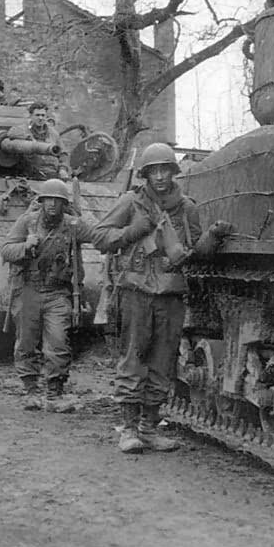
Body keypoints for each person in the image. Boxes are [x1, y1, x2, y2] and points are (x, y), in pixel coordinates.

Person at [92, 143, 232, 453]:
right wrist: (132, 231)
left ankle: (149, 429)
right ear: (144, 174)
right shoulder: (132, 203)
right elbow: (99, 237)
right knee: (133, 360)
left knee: (163, 363)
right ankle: (127, 430)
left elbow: (196, 256)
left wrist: (212, 238)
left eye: (165, 169)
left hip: (170, 295)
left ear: (173, 172)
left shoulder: (187, 208)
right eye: (153, 171)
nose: (159, 176)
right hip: (136, 294)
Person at [1, 179, 95, 411]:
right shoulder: (27, 222)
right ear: (41, 201)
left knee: (58, 343)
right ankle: (31, 391)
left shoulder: (73, 225)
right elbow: (6, 249)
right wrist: (25, 246)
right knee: (26, 342)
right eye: (48, 200)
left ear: (64, 203)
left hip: (57, 292)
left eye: (58, 200)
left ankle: (54, 394)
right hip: (29, 289)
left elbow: (99, 235)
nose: (52, 205)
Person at [5, 102, 69, 180]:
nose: (40, 118)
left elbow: (63, 154)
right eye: (37, 115)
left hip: (53, 173)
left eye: (43, 115)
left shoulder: (53, 133)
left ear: (46, 117)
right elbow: (11, 133)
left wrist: (63, 169)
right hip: (32, 174)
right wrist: (27, 138)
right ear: (31, 116)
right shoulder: (23, 129)